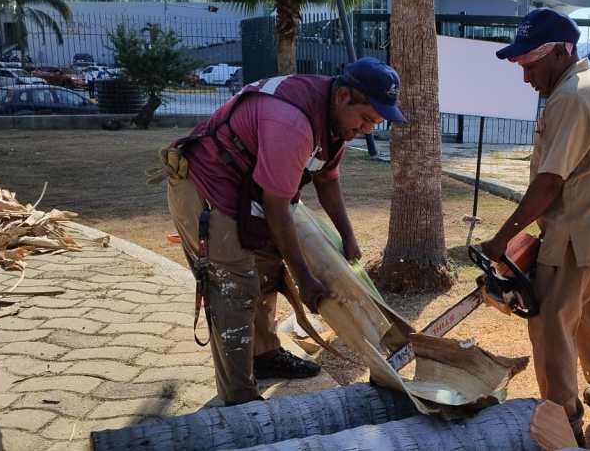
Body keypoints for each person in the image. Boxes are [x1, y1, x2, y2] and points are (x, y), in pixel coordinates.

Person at [161, 57, 406, 405]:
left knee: (267, 270)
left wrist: (348, 236)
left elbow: (326, 179)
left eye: (375, 124)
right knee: (234, 287)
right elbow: (277, 208)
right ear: (343, 96)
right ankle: (240, 400)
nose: (366, 129)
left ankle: (263, 355)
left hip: (250, 191)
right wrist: (305, 279)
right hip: (207, 187)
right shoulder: (292, 121)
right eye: (366, 118)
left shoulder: (335, 121)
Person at [480, 8, 590, 445]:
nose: (526, 77)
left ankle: (564, 422)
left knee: (551, 327)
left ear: (560, 52)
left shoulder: (571, 96)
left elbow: (550, 182)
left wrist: (502, 239)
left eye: (531, 65)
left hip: (572, 239)